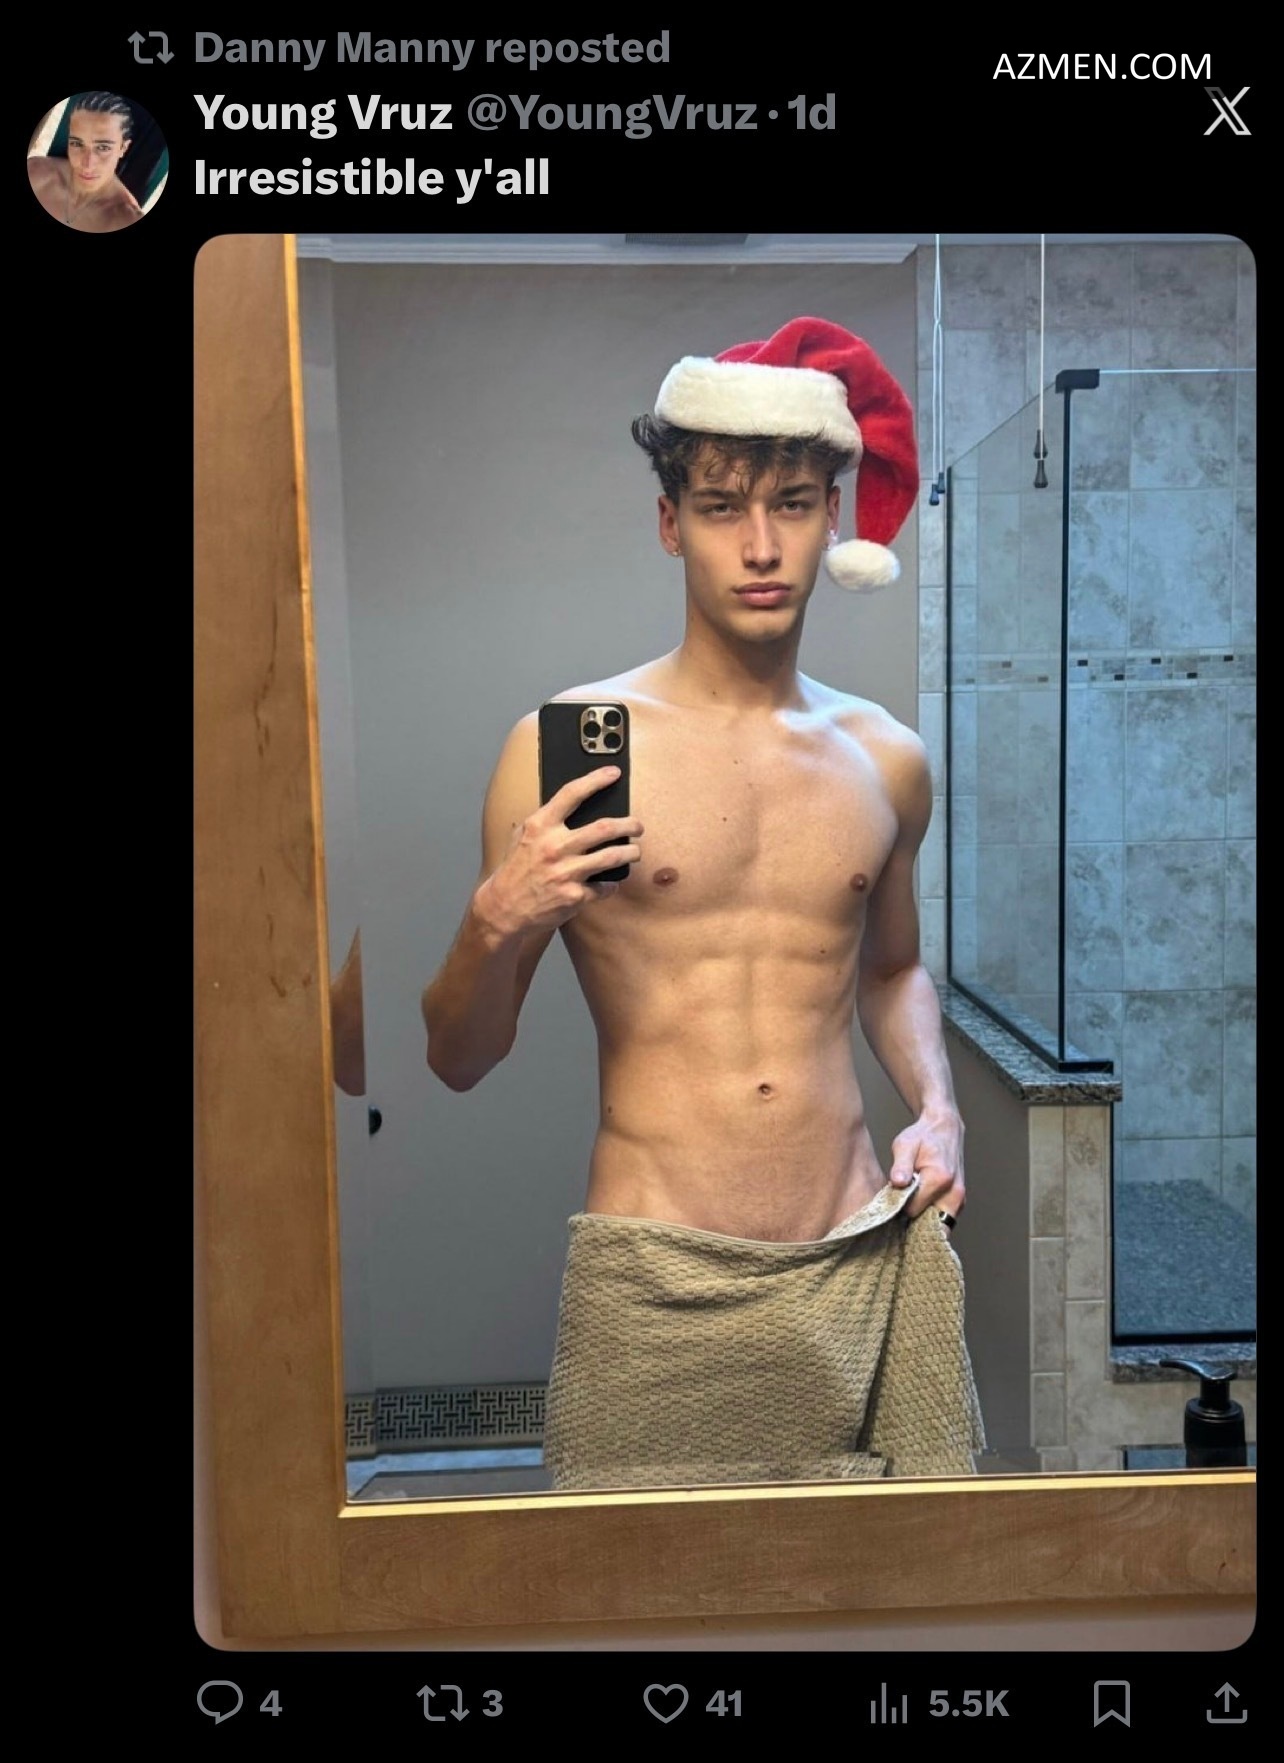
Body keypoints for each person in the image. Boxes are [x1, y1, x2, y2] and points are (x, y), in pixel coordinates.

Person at [422, 316, 983, 1488]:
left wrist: (939, 1109)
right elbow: (458, 1057)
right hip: (653, 1277)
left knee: (896, 1580)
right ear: (671, 523)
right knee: (640, 1588)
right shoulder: (562, 749)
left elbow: (891, 971)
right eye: (722, 506)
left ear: (834, 515)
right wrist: (495, 919)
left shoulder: (886, 758)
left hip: (861, 1251)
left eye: (793, 503)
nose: (761, 543)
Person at [28, 93, 143, 232]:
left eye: (103, 148)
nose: (87, 164)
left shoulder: (125, 220)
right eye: (77, 144)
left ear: (123, 148)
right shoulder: (36, 174)